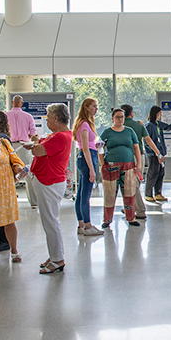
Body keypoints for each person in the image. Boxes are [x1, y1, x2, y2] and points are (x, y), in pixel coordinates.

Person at [24, 104, 72, 273]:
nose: (47, 120)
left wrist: (35, 142)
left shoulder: (60, 137)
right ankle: (54, 255)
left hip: (49, 181)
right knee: (49, 221)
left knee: (50, 221)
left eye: (48, 116)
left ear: (56, 118)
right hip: (46, 180)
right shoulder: (57, 135)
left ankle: (58, 259)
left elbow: (38, 151)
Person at [0, 111, 26, 263]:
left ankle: (14, 250)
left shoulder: (4, 143)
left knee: (9, 221)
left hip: (6, 187)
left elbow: (15, 160)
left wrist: (19, 168)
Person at [99, 107, 143, 228]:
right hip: (110, 166)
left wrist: (138, 163)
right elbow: (100, 148)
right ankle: (107, 219)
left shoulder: (129, 131)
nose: (120, 119)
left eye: (122, 117)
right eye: (117, 117)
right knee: (109, 194)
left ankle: (131, 217)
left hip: (128, 165)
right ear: (112, 118)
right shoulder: (107, 132)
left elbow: (136, 148)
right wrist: (102, 164)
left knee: (129, 192)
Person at [73, 98, 104, 237]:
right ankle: (87, 225)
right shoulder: (84, 124)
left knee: (81, 193)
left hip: (87, 156)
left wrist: (97, 145)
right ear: (86, 107)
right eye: (93, 106)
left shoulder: (85, 123)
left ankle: (81, 224)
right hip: (87, 159)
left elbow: (88, 145)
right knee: (85, 194)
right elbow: (85, 149)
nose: (96, 109)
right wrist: (92, 169)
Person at [122, 104, 157, 219]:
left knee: (126, 184)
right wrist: (158, 152)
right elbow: (148, 140)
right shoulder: (138, 125)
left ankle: (134, 208)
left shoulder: (119, 125)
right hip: (137, 157)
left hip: (123, 157)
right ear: (131, 114)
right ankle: (136, 209)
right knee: (135, 183)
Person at [144, 106, 171, 202]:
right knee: (152, 173)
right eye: (160, 113)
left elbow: (168, 127)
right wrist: (157, 154)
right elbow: (148, 142)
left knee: (160, 173)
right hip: (153, 154)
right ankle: (148, 194)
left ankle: (158, 193)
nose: (161, 115)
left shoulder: (158, 124)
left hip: (161, 153)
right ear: (156, 113)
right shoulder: (149, 126)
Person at [7, 95, 38, 208]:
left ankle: (9, 200)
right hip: (24, 147)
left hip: (10, 147)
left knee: (9, 173)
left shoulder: (5, 116)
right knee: (28, 172)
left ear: (12, 102)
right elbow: (33, 134)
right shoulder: (28, 116)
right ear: (22, 103)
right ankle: (34, 202)